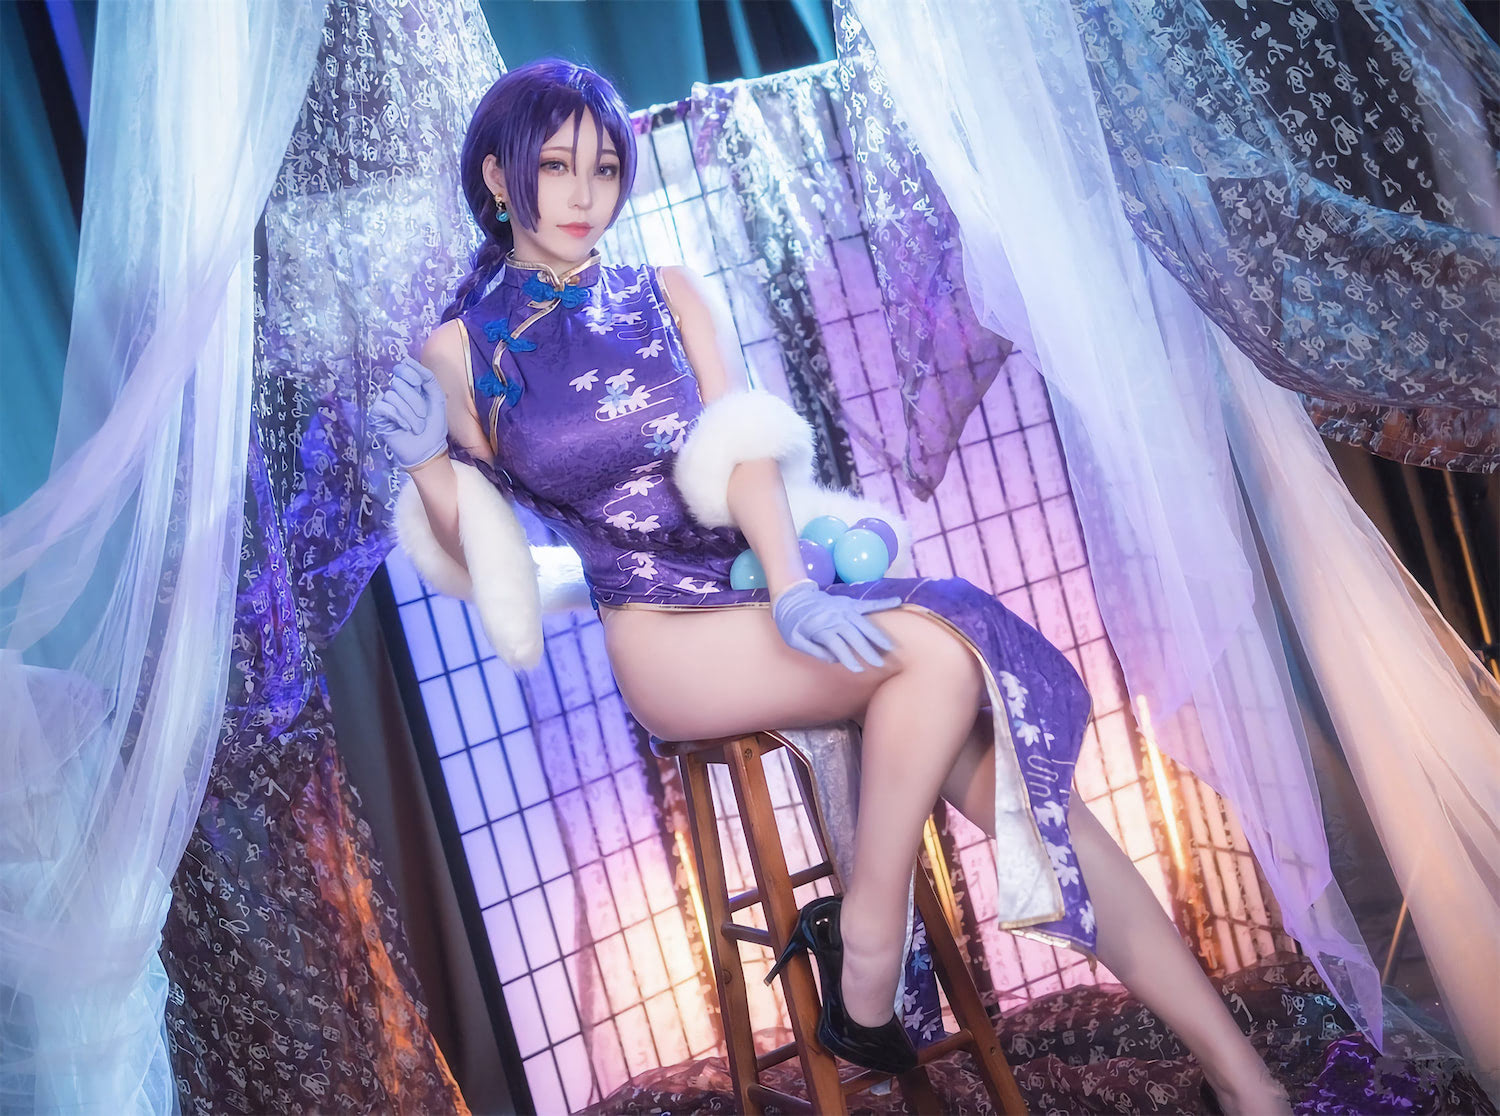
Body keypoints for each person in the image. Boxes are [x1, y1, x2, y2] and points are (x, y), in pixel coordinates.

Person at [371, 59, 1290, 1114]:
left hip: (762, 587)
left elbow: (741, 451)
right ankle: (869, 948)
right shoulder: (462, 351)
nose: (585, 195)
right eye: (556, 167)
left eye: (606, 167)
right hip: (661, 632)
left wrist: (794, 589)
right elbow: (481, 549)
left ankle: (1248, 1086)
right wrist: (427, 466)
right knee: (941, 652)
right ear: (498, 177)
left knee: (1039, 805)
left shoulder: (667, 292)